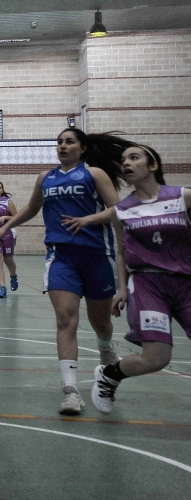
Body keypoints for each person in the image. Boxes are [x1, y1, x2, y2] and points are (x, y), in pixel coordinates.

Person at [0, 128, 132, 415]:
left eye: (69, 142)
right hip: (61, 257)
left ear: (83, 148)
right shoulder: (46, 178)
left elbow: (118, 210)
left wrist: (88, 220)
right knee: (66, 319)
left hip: (97, 256)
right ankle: (70, 391)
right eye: (59, 142)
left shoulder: (94, 174)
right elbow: (32, 208)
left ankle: (106, 349)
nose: (63, 146)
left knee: (100, 322)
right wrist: (7, 226)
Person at [91, 145, 191, 414]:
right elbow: (122, 252)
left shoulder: (182, 197)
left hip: (186, 283)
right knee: (156, 358)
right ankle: (109, 375)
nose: (126, 163)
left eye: (134, 158)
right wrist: (122, 289)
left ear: (153, 165)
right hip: (148, 285)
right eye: (123, 160)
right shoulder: (122, 210)